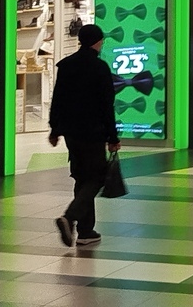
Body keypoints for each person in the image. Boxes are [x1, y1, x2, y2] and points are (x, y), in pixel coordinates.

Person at [48, 23, 120, 247]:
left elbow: (58, 99)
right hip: (93, 131)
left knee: (81, 177)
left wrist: (55, 129)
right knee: (97, 177)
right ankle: (69, 217)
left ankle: (86, 231)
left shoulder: (66, 65)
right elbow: (106, 106)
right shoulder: (100, 68)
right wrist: (113, 137)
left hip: (72, 132)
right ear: (97, 42)